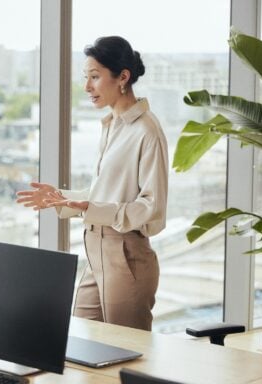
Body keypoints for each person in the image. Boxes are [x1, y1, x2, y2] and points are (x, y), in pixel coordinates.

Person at [17, 36, 168, 331]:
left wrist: (90, 208)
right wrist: (61, 198)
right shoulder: (111, 125)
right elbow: (106, 196)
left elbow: (152, 209)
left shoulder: (147, 131)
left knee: (125, 358)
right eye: (86, 77)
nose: (87, 87)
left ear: (122, 77)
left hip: (126, 257)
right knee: (83, 344)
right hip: (95, 254)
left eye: (95, 77)